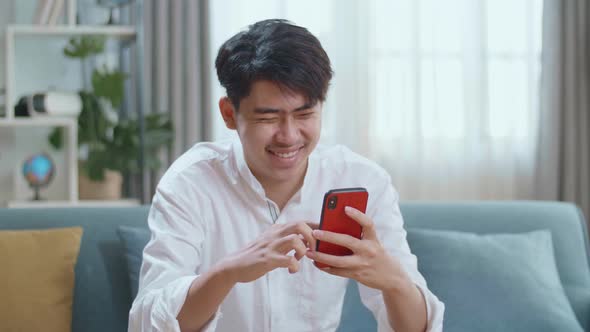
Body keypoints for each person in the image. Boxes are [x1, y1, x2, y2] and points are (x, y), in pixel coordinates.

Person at [129, 19, 444, 332]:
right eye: (268, 117)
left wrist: (393, 281)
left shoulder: (362, 179)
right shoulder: (191, 182)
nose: (289, 136)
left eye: (305, 114)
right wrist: (229, 271)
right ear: (229, 114)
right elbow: (148, 323)